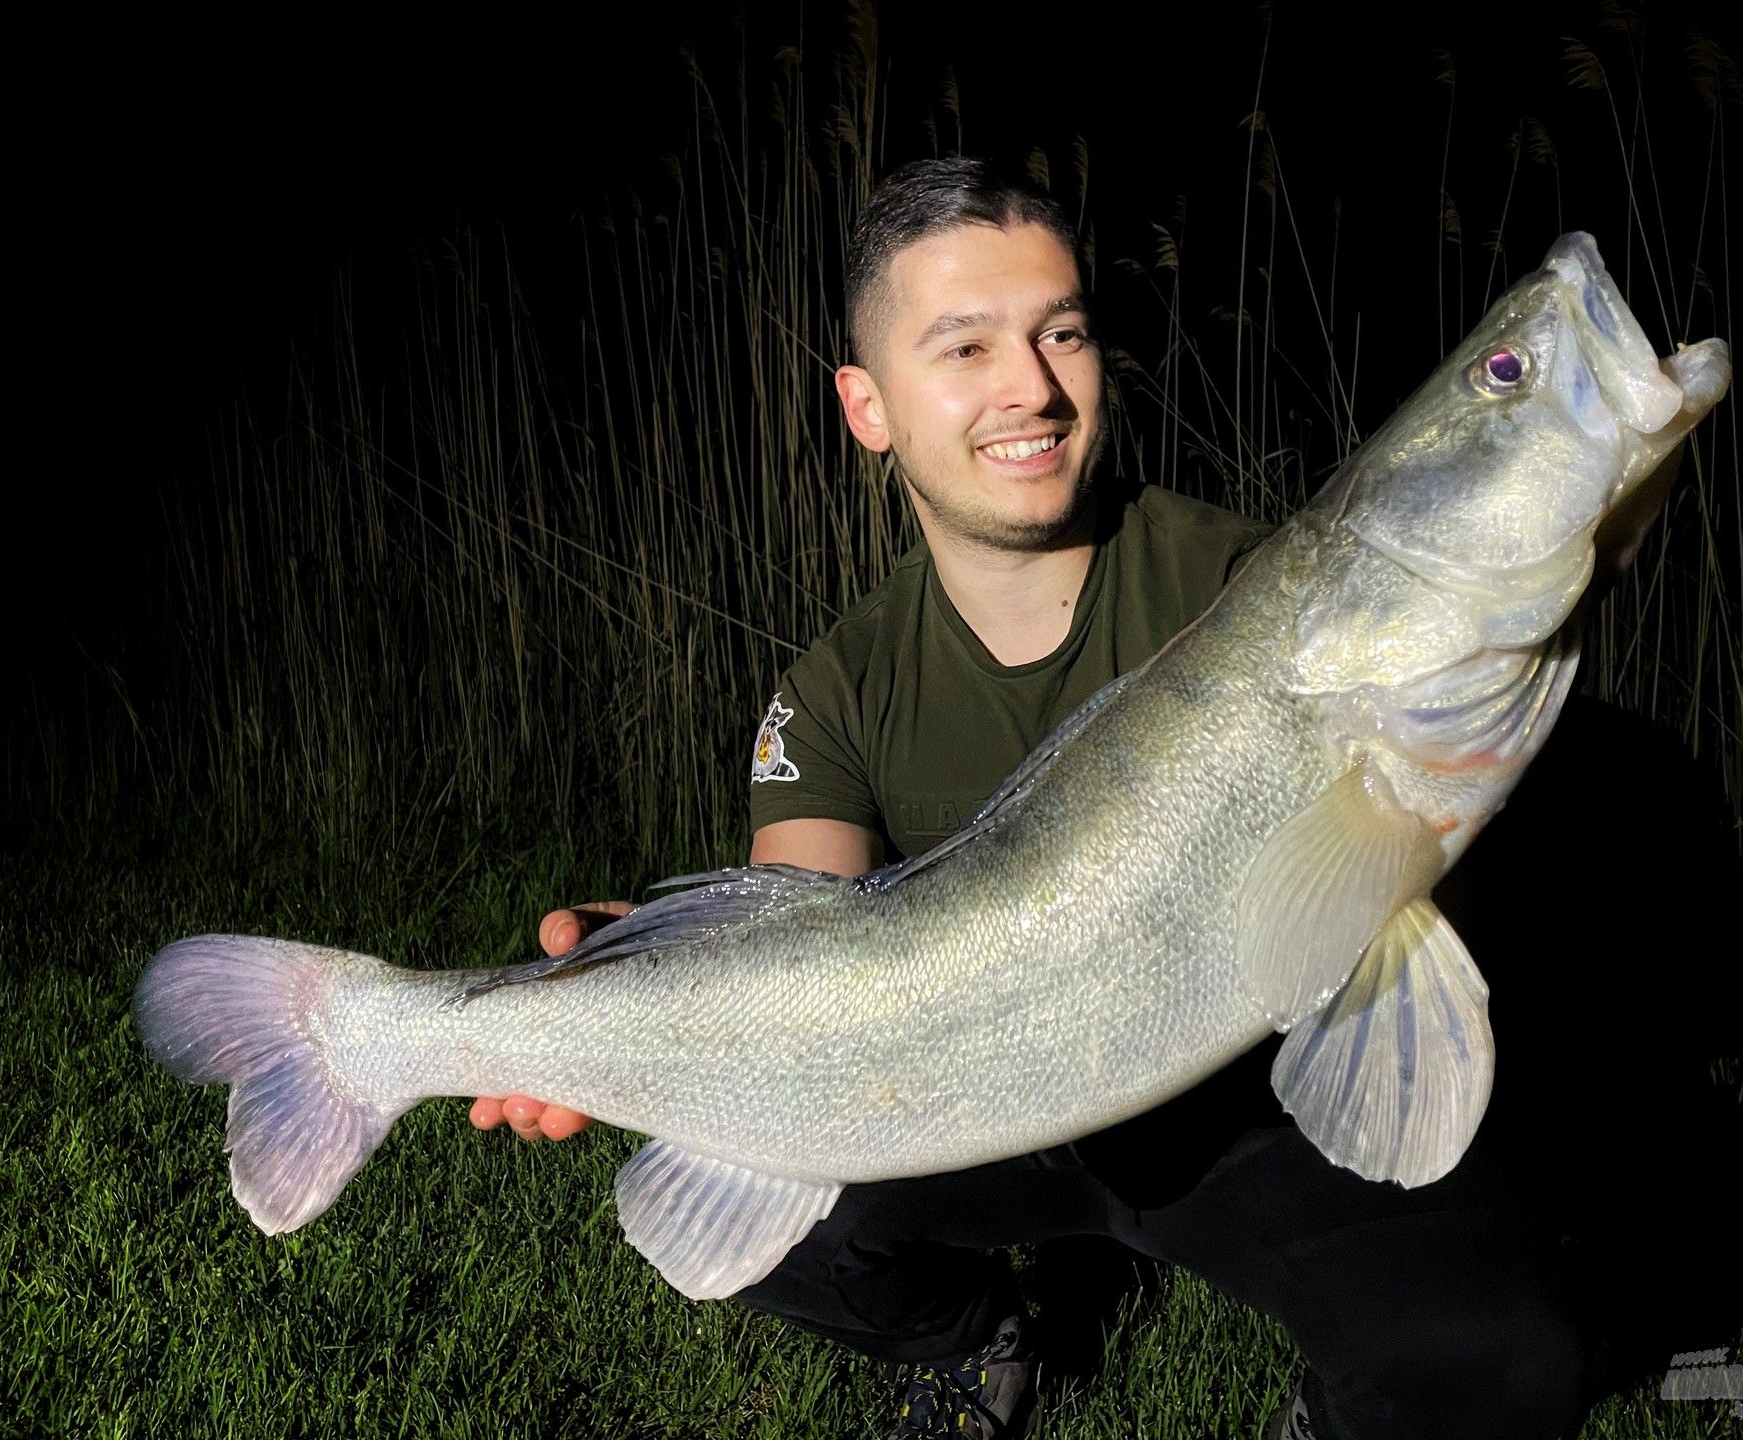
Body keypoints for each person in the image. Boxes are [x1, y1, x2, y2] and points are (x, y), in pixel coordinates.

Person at [471, 157, 1602, 1440]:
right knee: (778, 1225)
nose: (1032, 387)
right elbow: (808, 930)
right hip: (984, 1098)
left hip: (1244, 1113)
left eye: (1060, 331)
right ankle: (977, 1335)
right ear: (868, 406)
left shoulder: (1243, 588)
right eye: (964, 347)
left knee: (1495, 1355)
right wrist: (661, 973)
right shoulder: (836, 689)